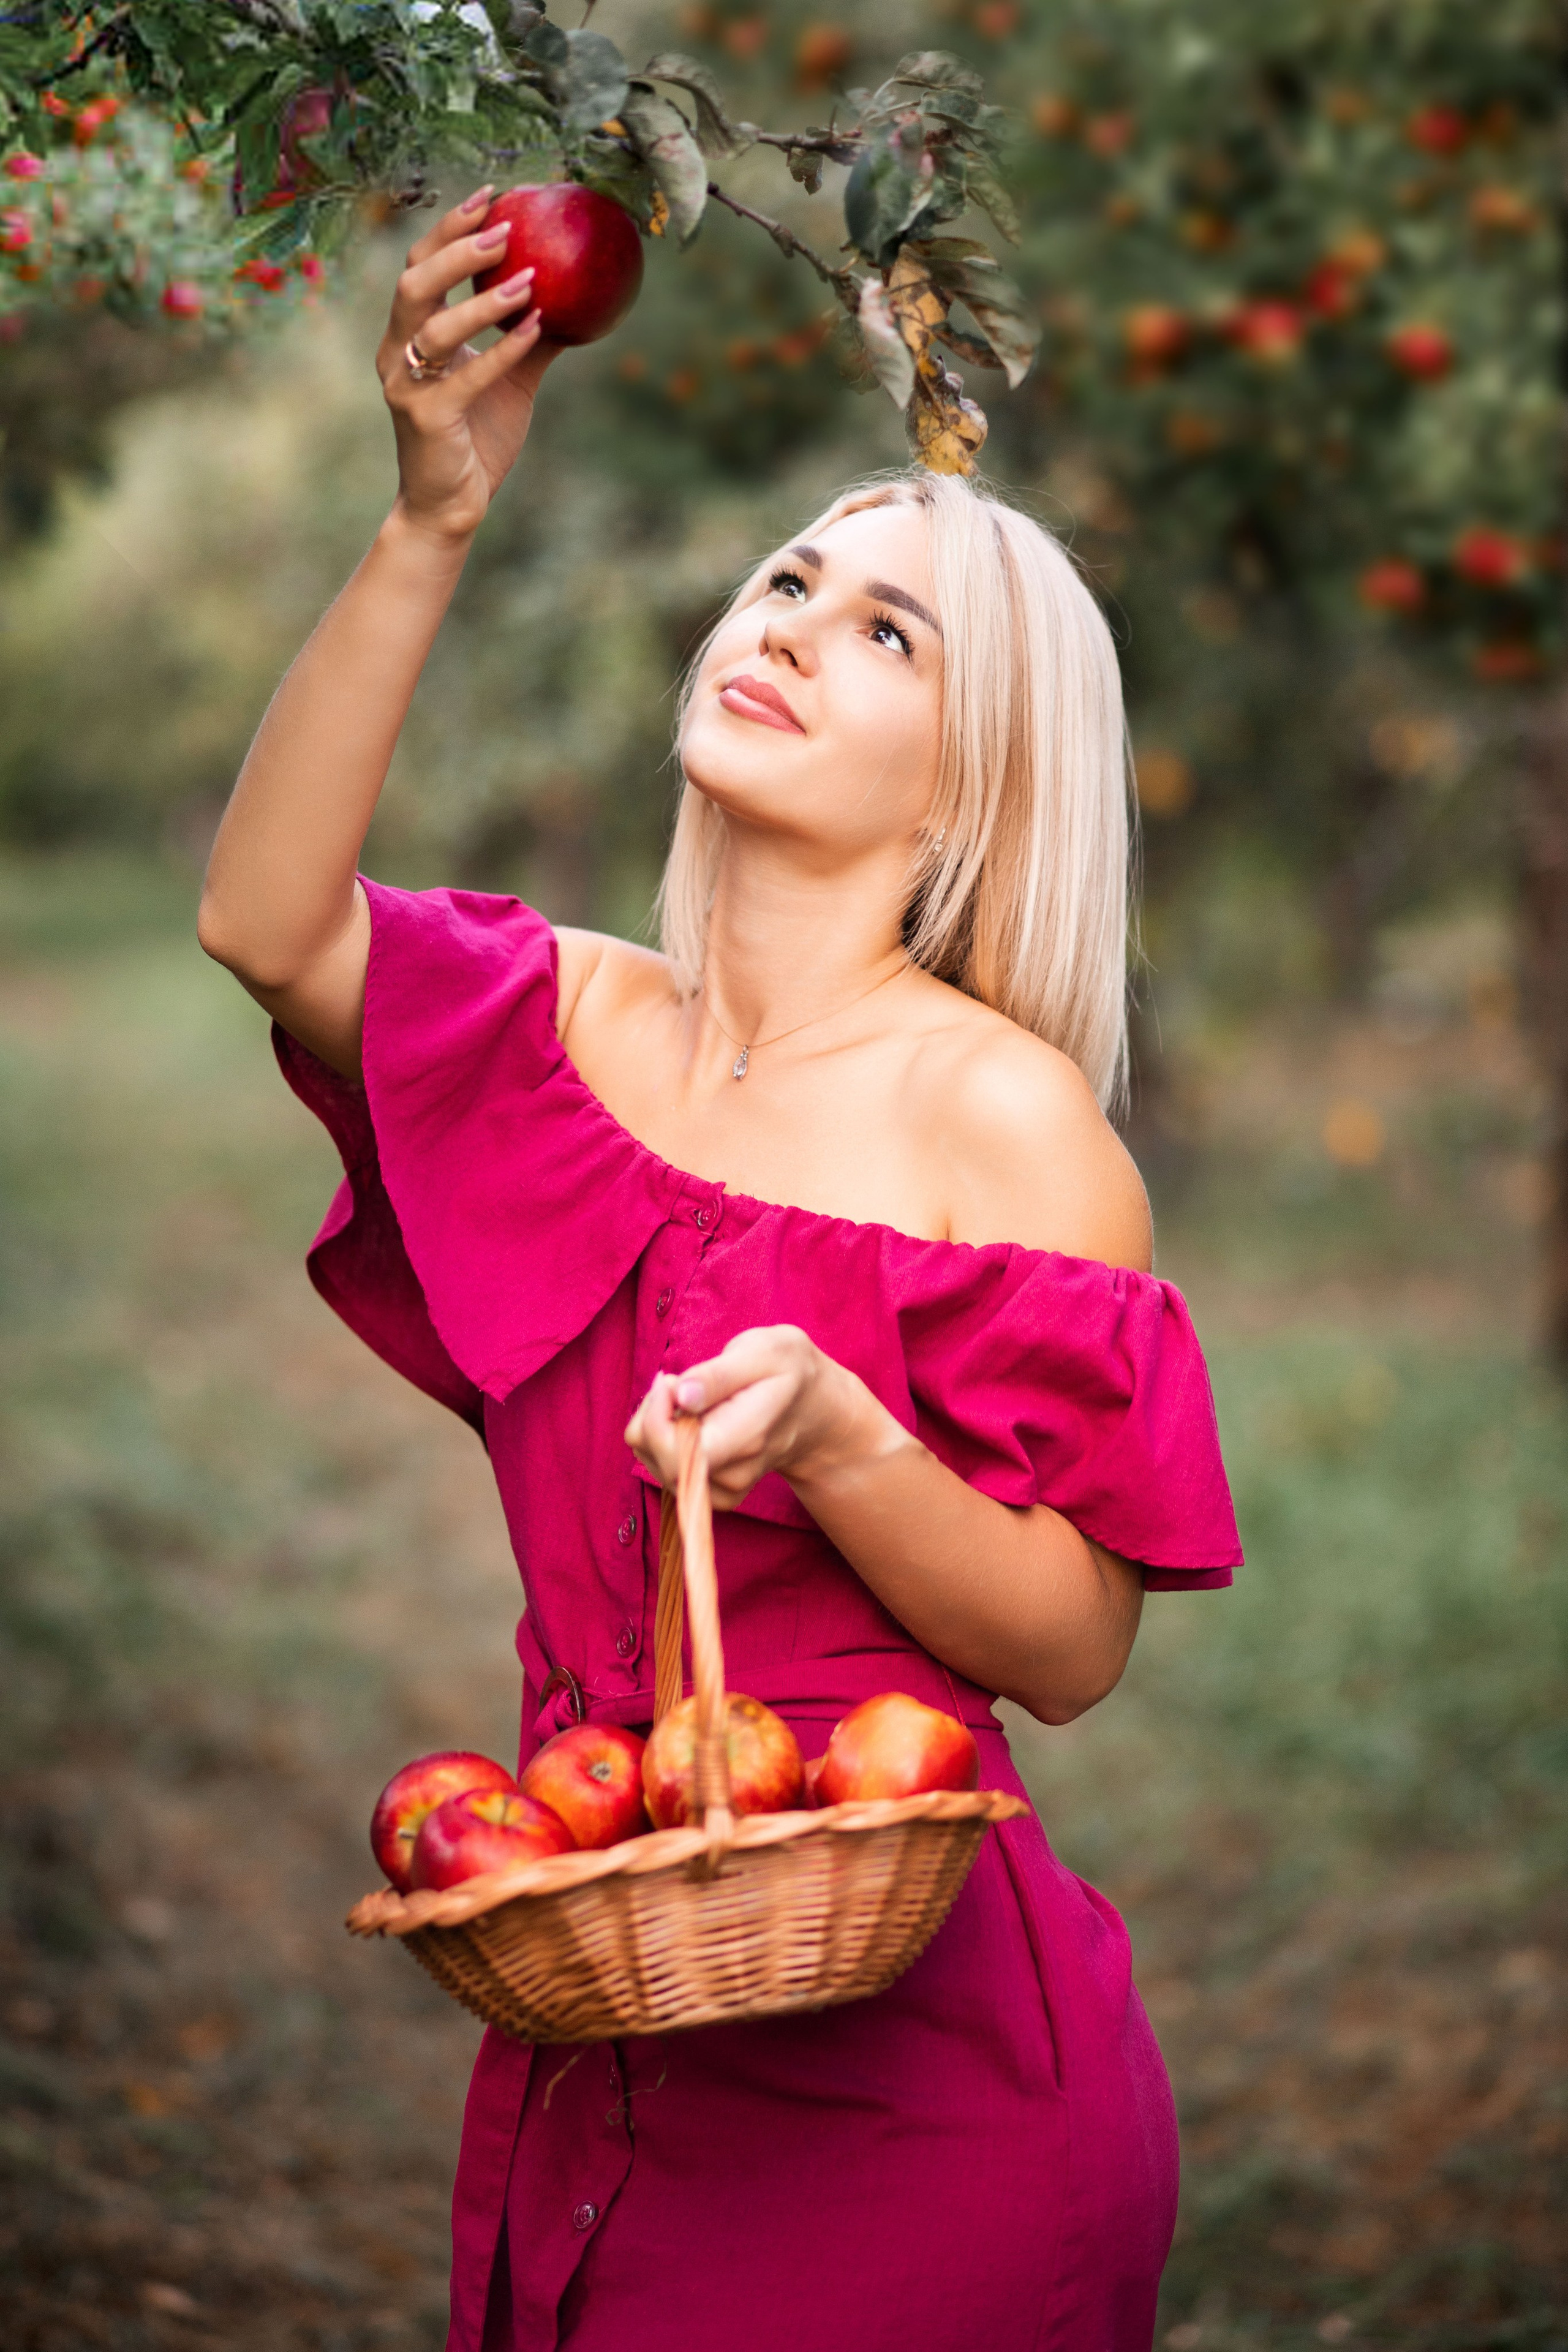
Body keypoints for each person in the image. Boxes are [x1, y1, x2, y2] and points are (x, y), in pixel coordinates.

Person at [198, 189, 1241, 2352]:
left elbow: (1072, 1645)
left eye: (887, 635)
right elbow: (268, 923)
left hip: (928, 2099)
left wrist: (853, 1441)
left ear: (973, 791)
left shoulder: (1004, 1128)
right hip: (601, 1986)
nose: (789, 621)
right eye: (791, 579)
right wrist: (431, 518)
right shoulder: (555, 1026)